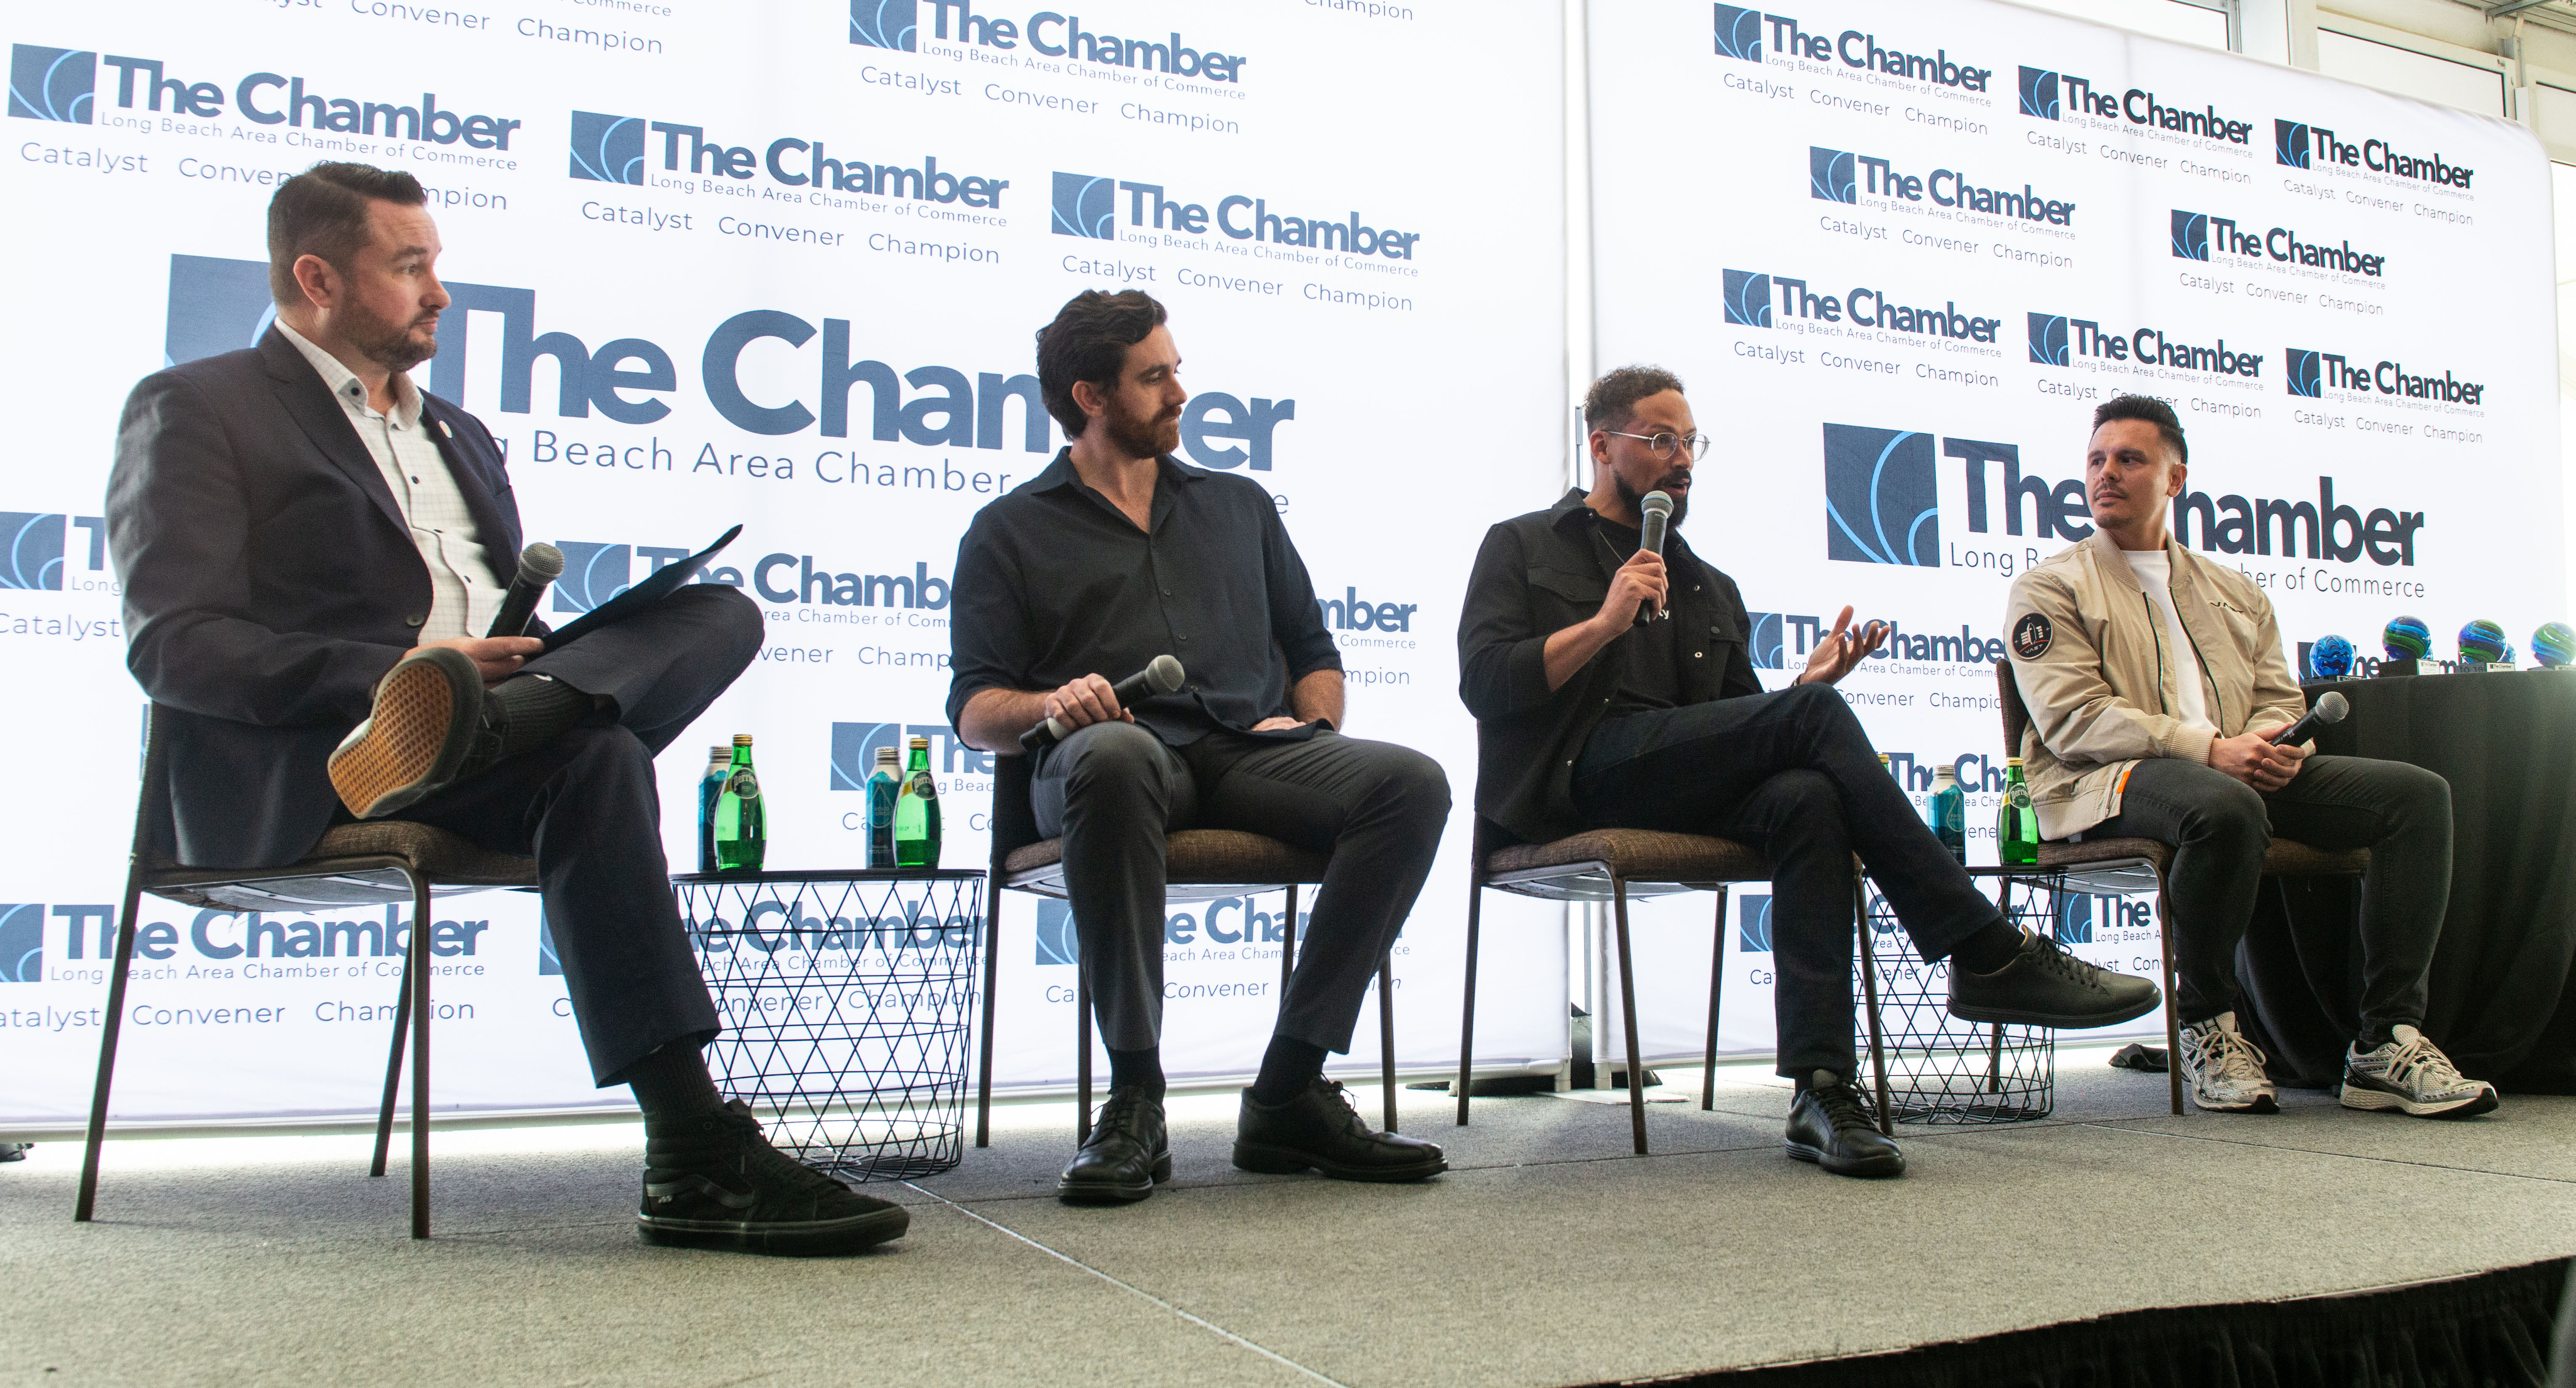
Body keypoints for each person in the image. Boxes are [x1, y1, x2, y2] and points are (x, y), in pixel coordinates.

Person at [107, 161, 906, 1256]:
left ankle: (498, 718)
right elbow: (177, 645)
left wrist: (501, 681)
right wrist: (401, 672)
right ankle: (692, 1149)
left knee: (718, 610)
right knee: (597, 757)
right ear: (318, 278)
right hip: (332, 762)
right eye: (411, 266)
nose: (439, 291)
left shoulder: (462, 435)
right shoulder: (199, 407)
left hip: (499, 722)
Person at [1458, 366, 2161, 1179]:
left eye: (1690, 441)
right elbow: (1485, 683)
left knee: (1806, 796)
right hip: (1570, 778)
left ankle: (1821, 1089)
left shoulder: (1706, 584)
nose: (1680, 458)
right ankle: (1984, 949)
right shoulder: (1522, 545)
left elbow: (1737, 727)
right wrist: (1605, 622)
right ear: (1601, 444)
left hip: (1670, 780)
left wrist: (1803, 693)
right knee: (1810, 737)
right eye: (1659, 440)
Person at [948, 290, 1452, 1204]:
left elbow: (1313, 654)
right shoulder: (1009, 530)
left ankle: (1290, 1087)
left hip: (1245, 754)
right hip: (1103, 761)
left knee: (1410, 783)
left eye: (1175, 368)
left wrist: (1314, 729)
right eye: (1156, 376)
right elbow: (976, 711)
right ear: (1091, 396)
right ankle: (1135, 1094)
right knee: (1114, 756)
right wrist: (1057, 701)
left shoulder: (1239, 505)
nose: (1181, 390)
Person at [2005, 395, 2496, 1118]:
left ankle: (2384, 1043)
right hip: (2101, 784)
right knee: (2223, 804)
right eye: (2097, 460)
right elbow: (2075, 722)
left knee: (2417, 798)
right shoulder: (2049, 586)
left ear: (2176, 479)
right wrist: (2210, 749)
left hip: (2236, 774)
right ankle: (2207, 1023)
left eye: (2130, 459)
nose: (2107, 474)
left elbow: (2276, 696)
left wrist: (2276, 745)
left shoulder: (2235, 591)